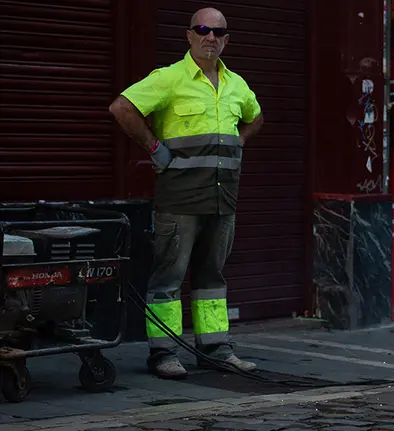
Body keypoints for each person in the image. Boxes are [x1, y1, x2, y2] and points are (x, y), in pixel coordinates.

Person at [109, 7, 264, 379]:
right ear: (189, 36)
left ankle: (215, 349)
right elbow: (122, 108)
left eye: (218, 32)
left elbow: (256, 116)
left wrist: (240, 141)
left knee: (212, 276)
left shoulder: (236, 84)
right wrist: (153, 149)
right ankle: (163, 353)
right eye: (203, 30)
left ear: (226, 39)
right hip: (180, 198)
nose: (210, 37)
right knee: (169, 277)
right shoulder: (170, 79)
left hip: (222, 197)